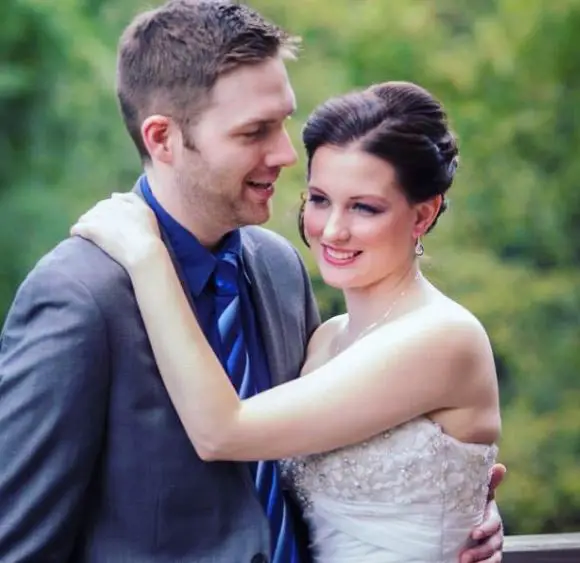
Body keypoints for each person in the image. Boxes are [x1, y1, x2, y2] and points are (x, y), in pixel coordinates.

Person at [0, 0, 504, 561]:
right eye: (255, 132)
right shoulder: (79, 294)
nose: (287, 154)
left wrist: (453, 506)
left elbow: (328, 451)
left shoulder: (280, 269)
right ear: (163, 138)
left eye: (284, 121)